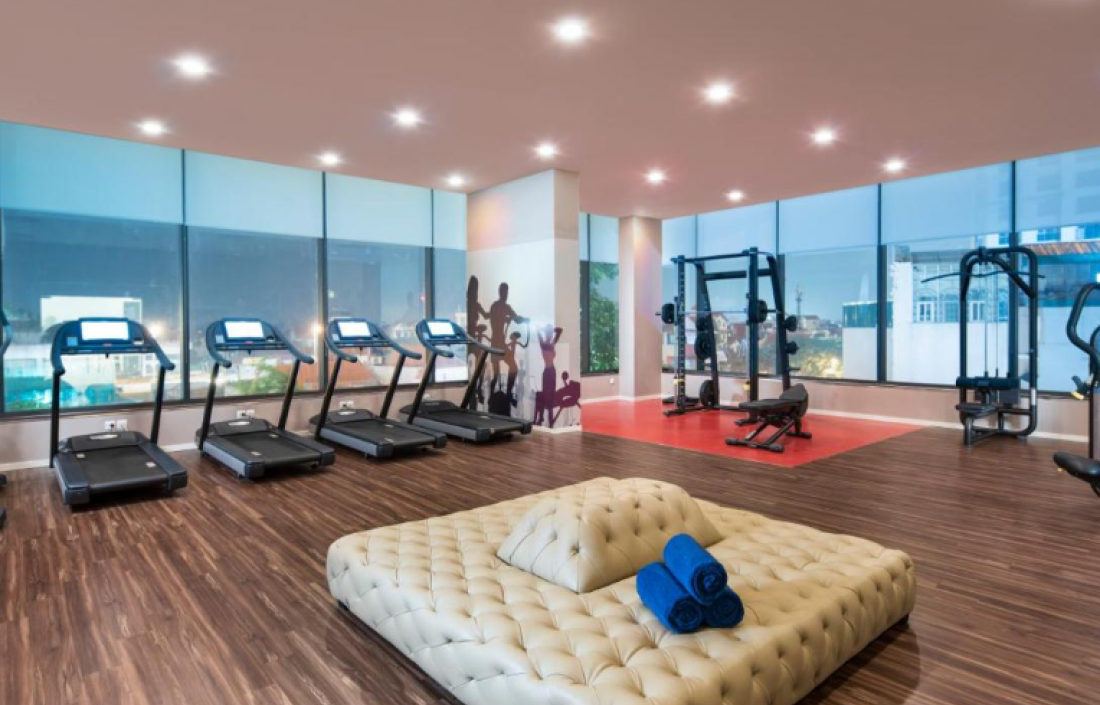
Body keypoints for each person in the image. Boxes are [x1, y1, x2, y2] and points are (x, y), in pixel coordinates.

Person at [488, 283, 527, 391]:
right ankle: (492, 396)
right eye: (504, 292)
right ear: (500, 292)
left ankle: (508, 392)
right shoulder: (495, 306)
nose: (505, 295)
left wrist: (524, 320)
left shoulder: (506, 307)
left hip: (500, 343)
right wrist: (506, 319)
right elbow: (494, 322)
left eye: (506, 292)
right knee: (496, 375)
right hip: (496, 344)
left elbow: (516, 318)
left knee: (513, 367)